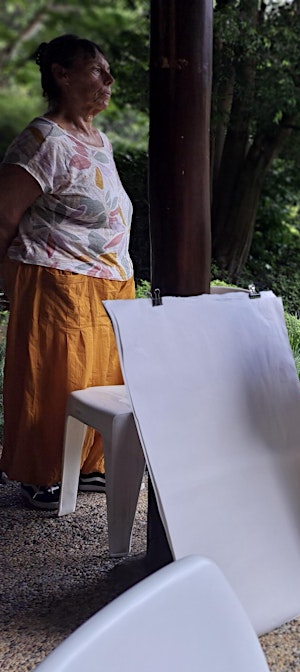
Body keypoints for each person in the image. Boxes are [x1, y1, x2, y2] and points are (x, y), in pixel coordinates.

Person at [0, 35, 135, 510]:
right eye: (98, 70)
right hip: (57, 279)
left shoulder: (100, 140)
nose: (109, 79)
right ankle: (42, 475)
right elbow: (4, 214)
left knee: (98, 377)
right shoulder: (43, 139)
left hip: (108, 281)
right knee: (54, 376)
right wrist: (5, 278)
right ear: (62, 75)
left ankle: (86, 465)